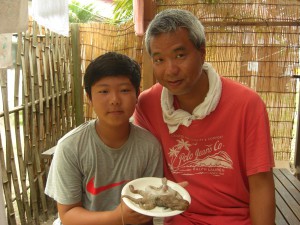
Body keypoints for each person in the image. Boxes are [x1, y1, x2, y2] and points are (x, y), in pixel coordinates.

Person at [134, 9, 275, 225]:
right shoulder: (147, 105)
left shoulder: (247, 104)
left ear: (202, 52)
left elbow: (261, 184)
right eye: (159, 59)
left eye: (180, 55)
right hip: (181, 218)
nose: (170, 69)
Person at [45, 52, 163, 225]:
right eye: (104, 91)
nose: (114, 100)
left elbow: (151, 208)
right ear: (89, 97)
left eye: (124, 90)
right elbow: (68, 215)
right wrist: (117, 217)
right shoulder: (70, 147)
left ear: (137, 94)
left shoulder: (149, 146)